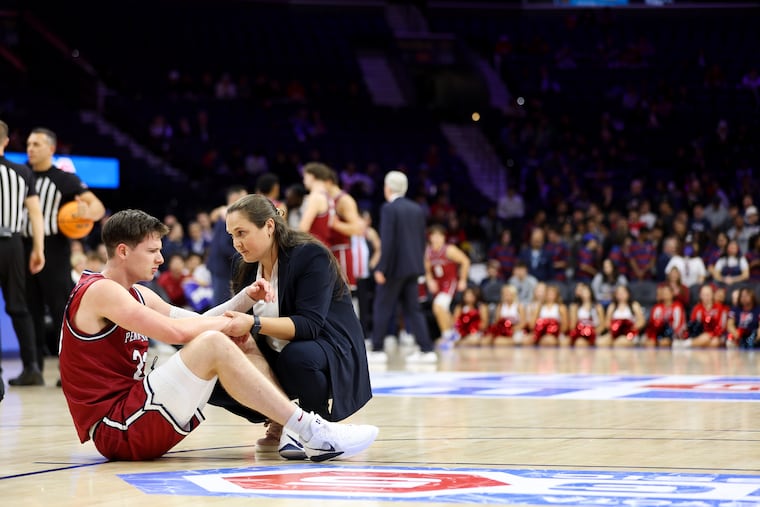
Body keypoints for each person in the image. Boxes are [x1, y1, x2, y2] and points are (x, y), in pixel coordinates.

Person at [58, 208, 378, 462]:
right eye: (153, 250)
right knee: (215, 340)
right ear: (124, 251)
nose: (161, 258)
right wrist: (235, 324)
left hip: (136, 413)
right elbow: (175, 332)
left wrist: (246, 300)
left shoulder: (137, 293)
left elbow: (197, 320)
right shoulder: (101, 291)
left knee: (236, 336)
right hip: (117, 427)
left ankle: (285, 425)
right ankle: (309, 429)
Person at [207, 194, 374, 459]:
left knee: (297, 356)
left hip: (329, 348)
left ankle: (315, 425)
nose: (237, 243)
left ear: (269, 226)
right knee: (213, 376)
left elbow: (309, 326)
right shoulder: (245, 266)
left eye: (242, 233)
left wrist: (253, 322)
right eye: (231, 235)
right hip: (277, 354)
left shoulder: (310, 255)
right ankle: (283, 416)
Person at [16, 127, 105, 386]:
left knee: (60, 310)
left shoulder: (64, 179)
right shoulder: (20, 173)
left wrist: (83, 213)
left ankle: (70, 371)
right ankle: (31, 369)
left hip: (55, 248)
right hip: (22, 246)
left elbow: (97, 207)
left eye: (36, 144)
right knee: (26, 309)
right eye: (29, 144)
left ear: (51, 149)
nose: (30, 148)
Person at [369, 171, 435, 364]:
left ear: (388, 187)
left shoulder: (389, 209)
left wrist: (382, 268)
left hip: (394, 269)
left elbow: (388, 242)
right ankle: (426, 349)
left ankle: (378, 348)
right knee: (413, 309)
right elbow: (422, 241)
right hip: (414, 267)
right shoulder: (416, 208)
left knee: (382, 306)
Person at [0, 120, 46, 391]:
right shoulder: (22, 172)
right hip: (13, 245)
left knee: (19, 307)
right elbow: (35, 214)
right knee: (19, 306)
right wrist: (38, 248)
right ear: (6, 141)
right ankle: (32, 369)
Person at [424, 223, 471, 345]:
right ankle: (452, 333)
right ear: (430, 237)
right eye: (434, 236)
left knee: (437, 306)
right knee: (441, 310)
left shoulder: (449, 249)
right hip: (438, 284)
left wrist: (463, 279)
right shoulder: (428, 251)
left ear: (444, 238)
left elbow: (465, 261)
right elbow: (427, 269)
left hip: (449, 282)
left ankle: (447, 335)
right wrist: (430, 280)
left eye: (439, 236)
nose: (436, 239)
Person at [207, 185, 247, 306]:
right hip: (221, 267)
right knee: (220, 304)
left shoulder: (227, 214)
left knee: (222, 302)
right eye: (244, 198)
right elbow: (224, 246)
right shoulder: (227, 216)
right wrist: (244, 253)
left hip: (220, 266)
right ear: (235, 198)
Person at [686, 284, 728, 348]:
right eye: (703, 295)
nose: (706, 297)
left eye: (708, 295)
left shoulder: (720, 308)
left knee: (715, 342)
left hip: (718, 336)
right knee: (709, 340)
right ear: (700, 296)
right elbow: (694, 325)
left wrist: (710, 334)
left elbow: (722, 326)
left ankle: (688, 344)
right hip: (701, 336)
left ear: (713, 295)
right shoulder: (697, 308)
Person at [568, 282, 605, 348]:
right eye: (582, 291)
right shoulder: (575, 307)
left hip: (595, 333)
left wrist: (593, 333)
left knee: (601, 342)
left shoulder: (598, 307)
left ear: (590, 292)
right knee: (579, 343)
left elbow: (602, 325)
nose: (584, 293)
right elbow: (572, 326)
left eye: (586, 290)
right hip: (580, 334)